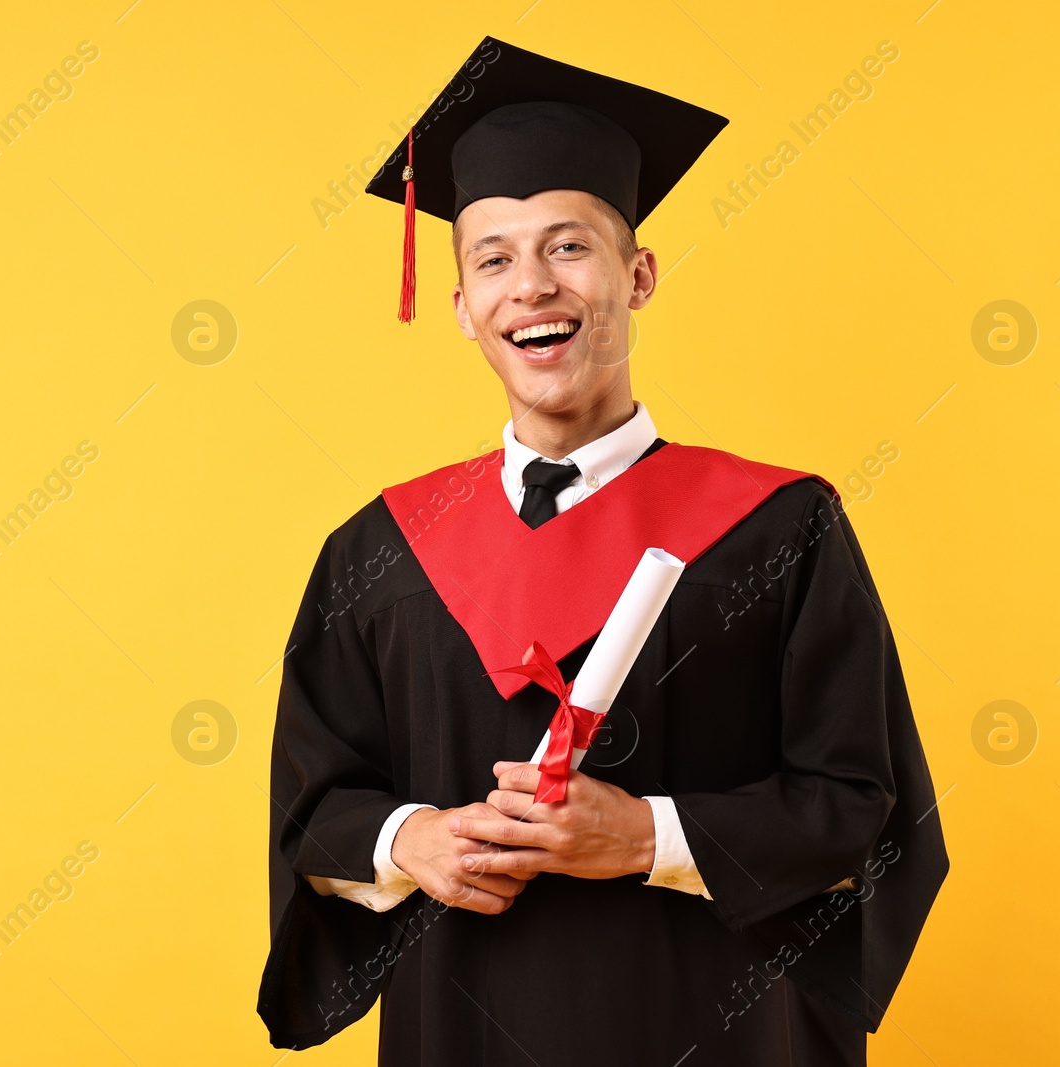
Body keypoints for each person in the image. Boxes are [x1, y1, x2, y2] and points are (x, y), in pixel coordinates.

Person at [257, 35, 947, 1066]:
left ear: (638, 273)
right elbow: (314, 802)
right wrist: (412, 840)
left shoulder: (778, 525)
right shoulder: (379, 550)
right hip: (460, 1026)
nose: (529, 283)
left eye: (568, 245)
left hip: (716, 1024)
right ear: (461, 310)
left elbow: (861, 803)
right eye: (492, 258)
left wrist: (648, 835)